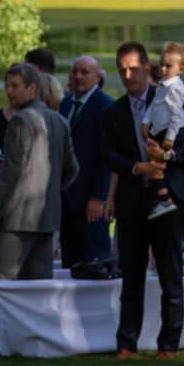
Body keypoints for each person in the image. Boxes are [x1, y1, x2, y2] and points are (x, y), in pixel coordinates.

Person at [101, 50, 184, 360]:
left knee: (170, 272)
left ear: (147, 68)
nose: (127, 75)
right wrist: (137, 167)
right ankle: (126, 343)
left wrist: (167, 157)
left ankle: (169, 345)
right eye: (122, 70)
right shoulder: (113, 112)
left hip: (168, 196)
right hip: (132, 198)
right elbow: (108, 155)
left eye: (133, 69)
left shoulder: (172, 98)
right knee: (131, 273)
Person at [0, 63, 77, 280]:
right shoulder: (60, 121)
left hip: (17, 220)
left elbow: (12, 174)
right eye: (7, 86)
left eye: (15, 86)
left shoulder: (19, 120)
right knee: (37, 289)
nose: (9, 91)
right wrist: (51, 189)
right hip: (49, 217)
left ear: (32, 88)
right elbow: (72, 169)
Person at [59, 55, 115, 267]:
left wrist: (99, 197)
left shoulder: (106, 106)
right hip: (67, 196)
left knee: (93, 260)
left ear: (98, 77)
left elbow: (107, 157)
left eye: (84, 72)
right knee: (70, 259)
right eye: (74, 71)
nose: (78, 76)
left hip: (91, 199)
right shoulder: (66, 103)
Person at [140, 41, 184, 220]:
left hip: (174, 130)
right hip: (161, 129)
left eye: (168, 66)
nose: (162, 69)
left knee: (157, 160)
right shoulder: (163, 85)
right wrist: (146, 122)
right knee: (154, 159)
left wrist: (170, 137)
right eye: (162, 64)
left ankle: (164, 198)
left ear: (181, 69)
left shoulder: (176, 88)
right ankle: (162, 196)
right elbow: (154, 105)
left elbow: (176, 114)